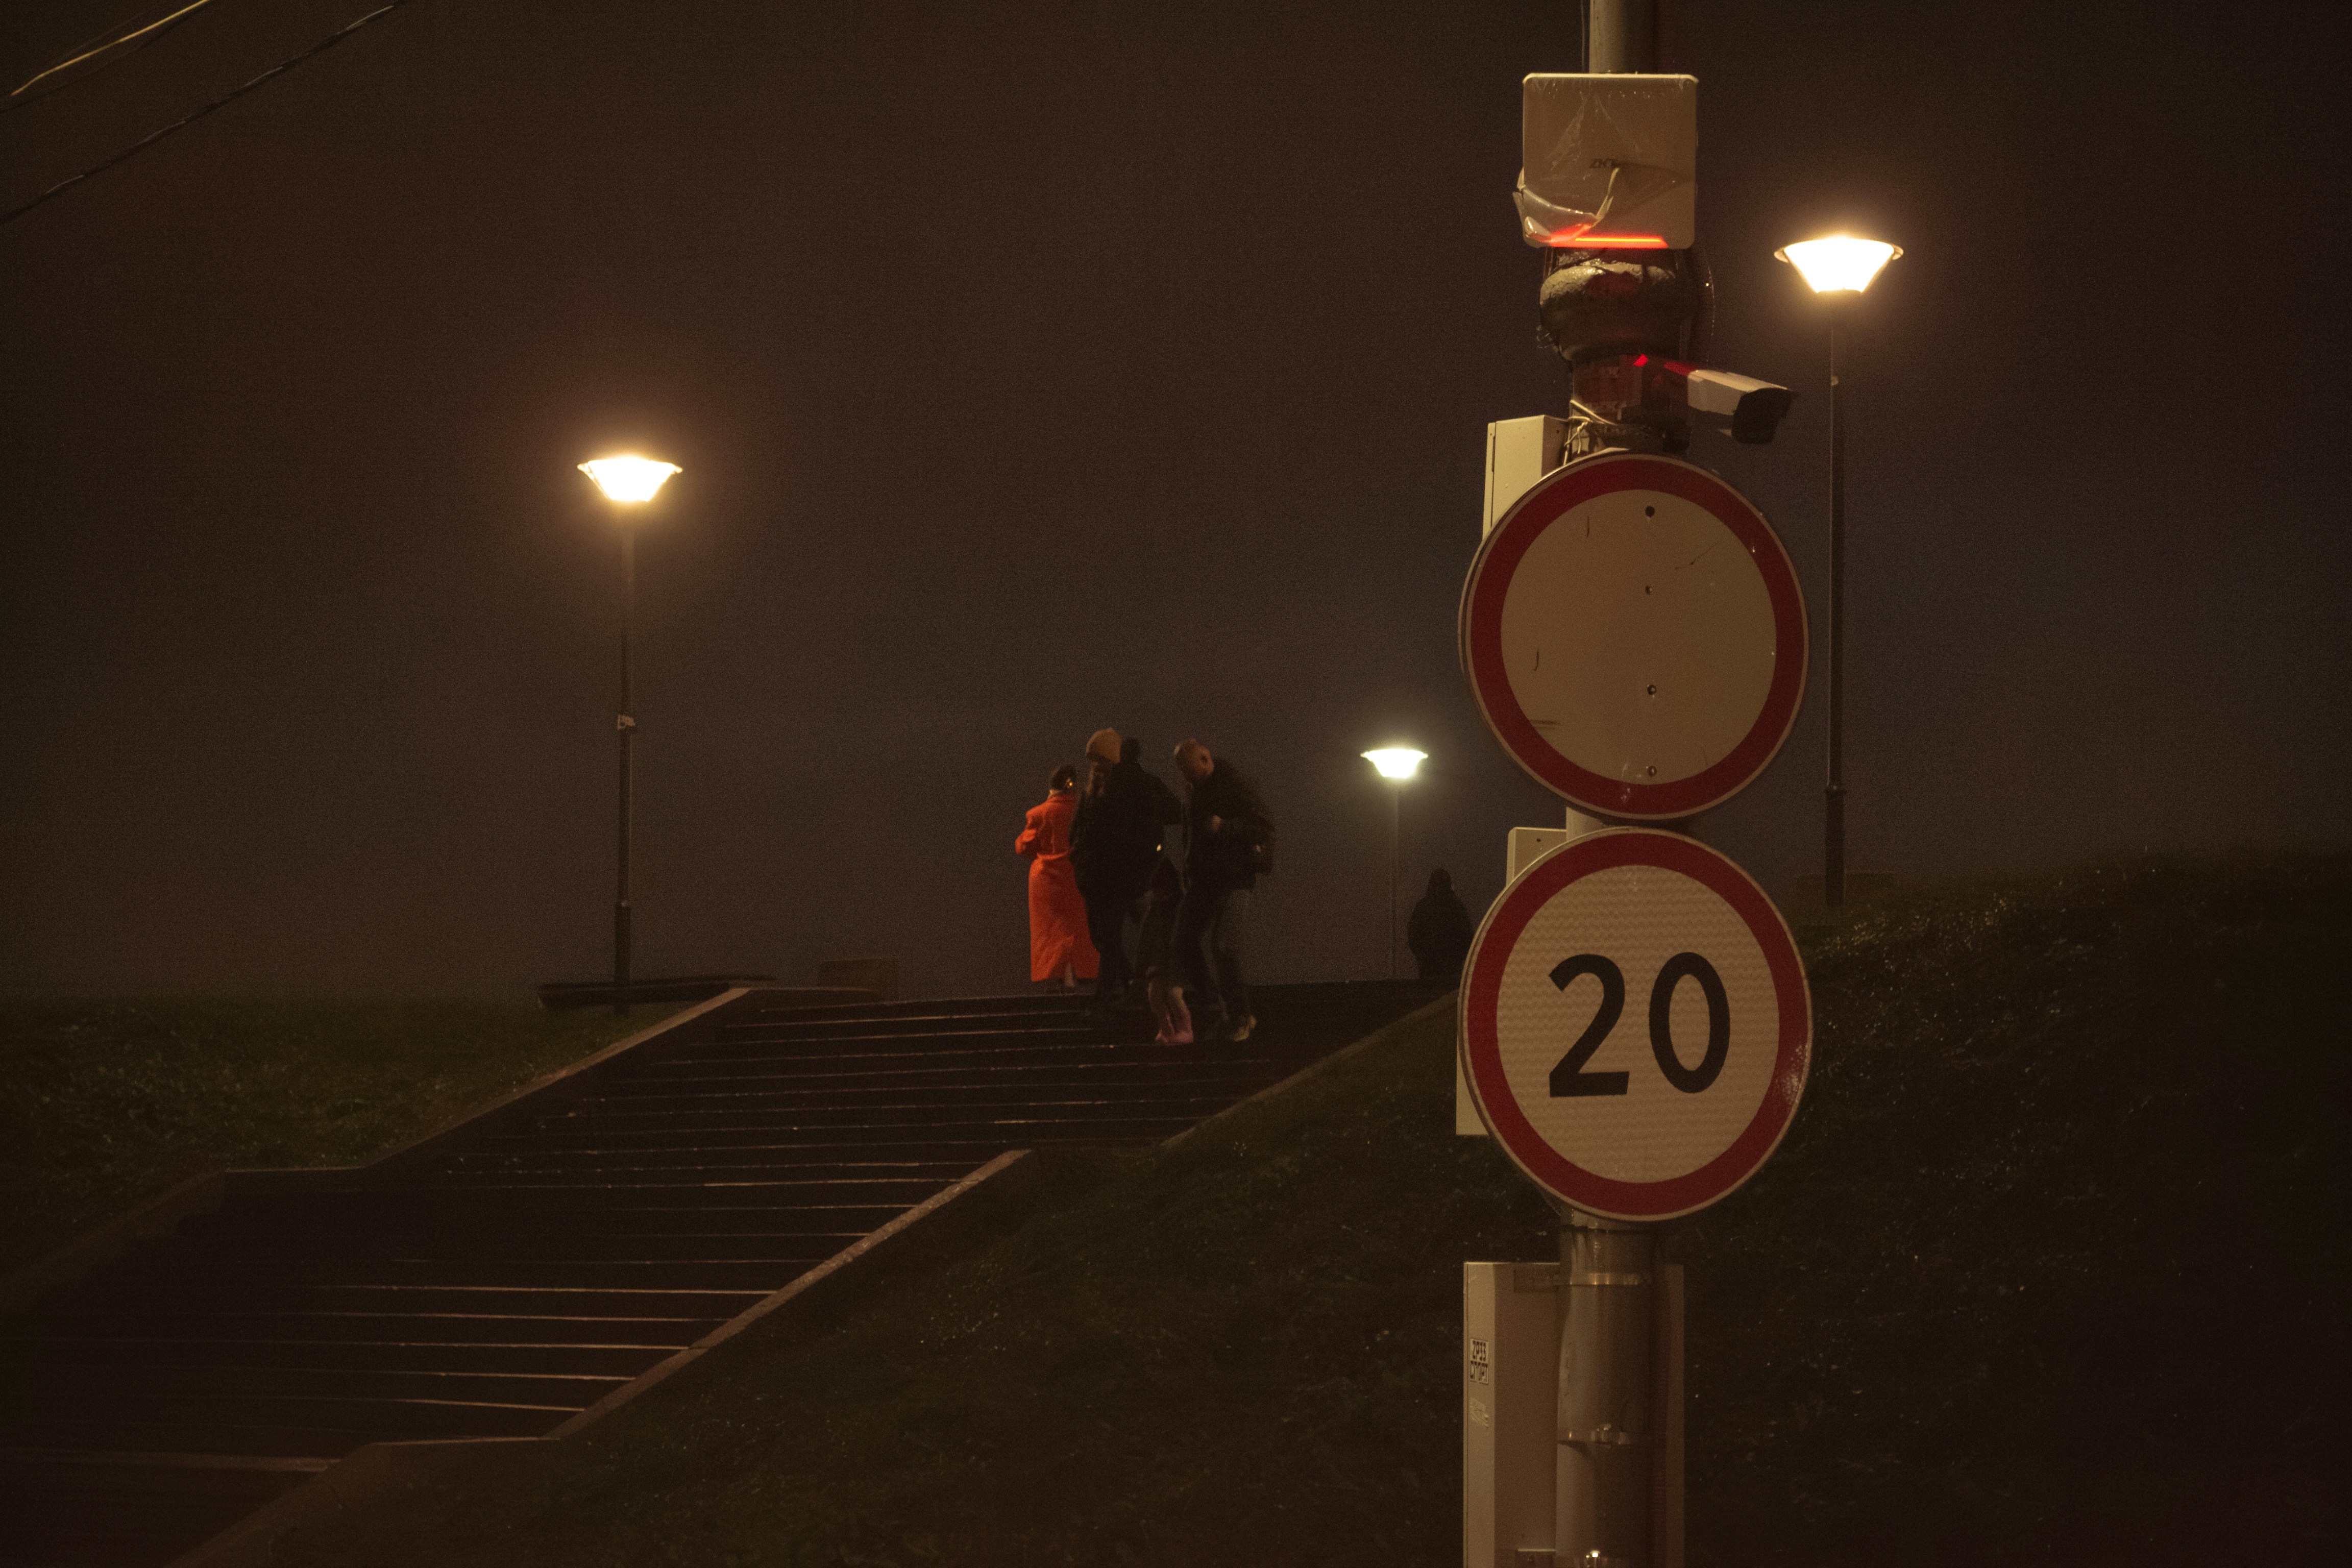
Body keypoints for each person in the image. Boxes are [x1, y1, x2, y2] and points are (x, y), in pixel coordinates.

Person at [1171, 738, 1271, 1041]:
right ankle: (1215, 1005)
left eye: (1191, 771)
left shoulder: (1233, 784)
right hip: (1204, 879)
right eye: (1184, 772)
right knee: (1184, 939)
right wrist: (1189, 869)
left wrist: (1225, 827)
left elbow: (1264, 827)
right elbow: (1191, 836)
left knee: (1224, 946)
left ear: (1205, 760)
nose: (1188, 777)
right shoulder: (1194, 789)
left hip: (1233, 877)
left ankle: (1240, 1016)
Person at [1014, 764, 1097, 989]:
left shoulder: (1039, 813)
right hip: (1077, 876)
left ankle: (1062, 974)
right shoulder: (1083, 811)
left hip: (1047, 882)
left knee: (1053, 933)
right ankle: (1079, 972)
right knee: (1078, 928)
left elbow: (1023, 847)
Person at [1136, 857, 1191, 1044]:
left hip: (1176, 963)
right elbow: (1145, 940)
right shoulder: (1154, 911)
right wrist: (1142, 965)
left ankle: (1185, 1030)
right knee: (1155, 996)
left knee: (1174, 995)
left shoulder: (1179, 911)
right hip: (1160, 963)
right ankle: (1166, 1029)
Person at [1406, 867, 1476, 983]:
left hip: (1429, 969)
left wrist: (1424, 958)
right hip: (1452, 970)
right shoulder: (1457, 908)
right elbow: (1467, 937)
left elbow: (1414, 937)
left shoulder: (1423, 907)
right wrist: (1457, 958)